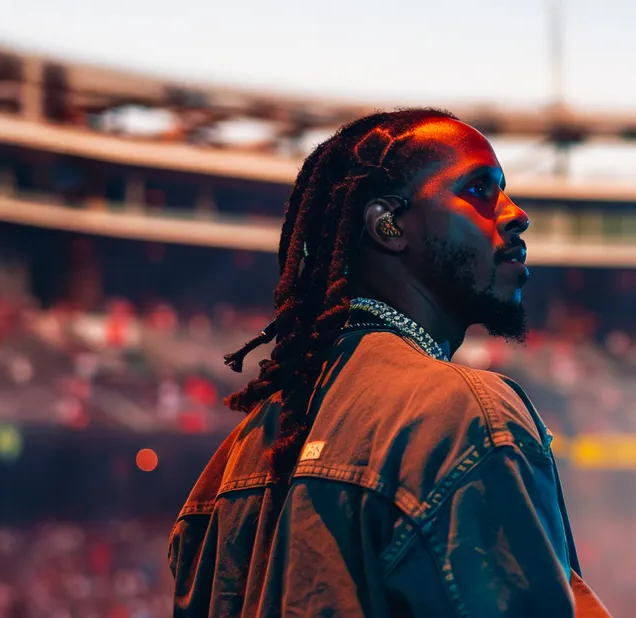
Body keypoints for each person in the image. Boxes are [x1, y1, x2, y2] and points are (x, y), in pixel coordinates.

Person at [168, 108, 612, 617]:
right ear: (389, 224)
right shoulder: (464, 413)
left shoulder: (232, 459)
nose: (517, 215)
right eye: (479, 190)